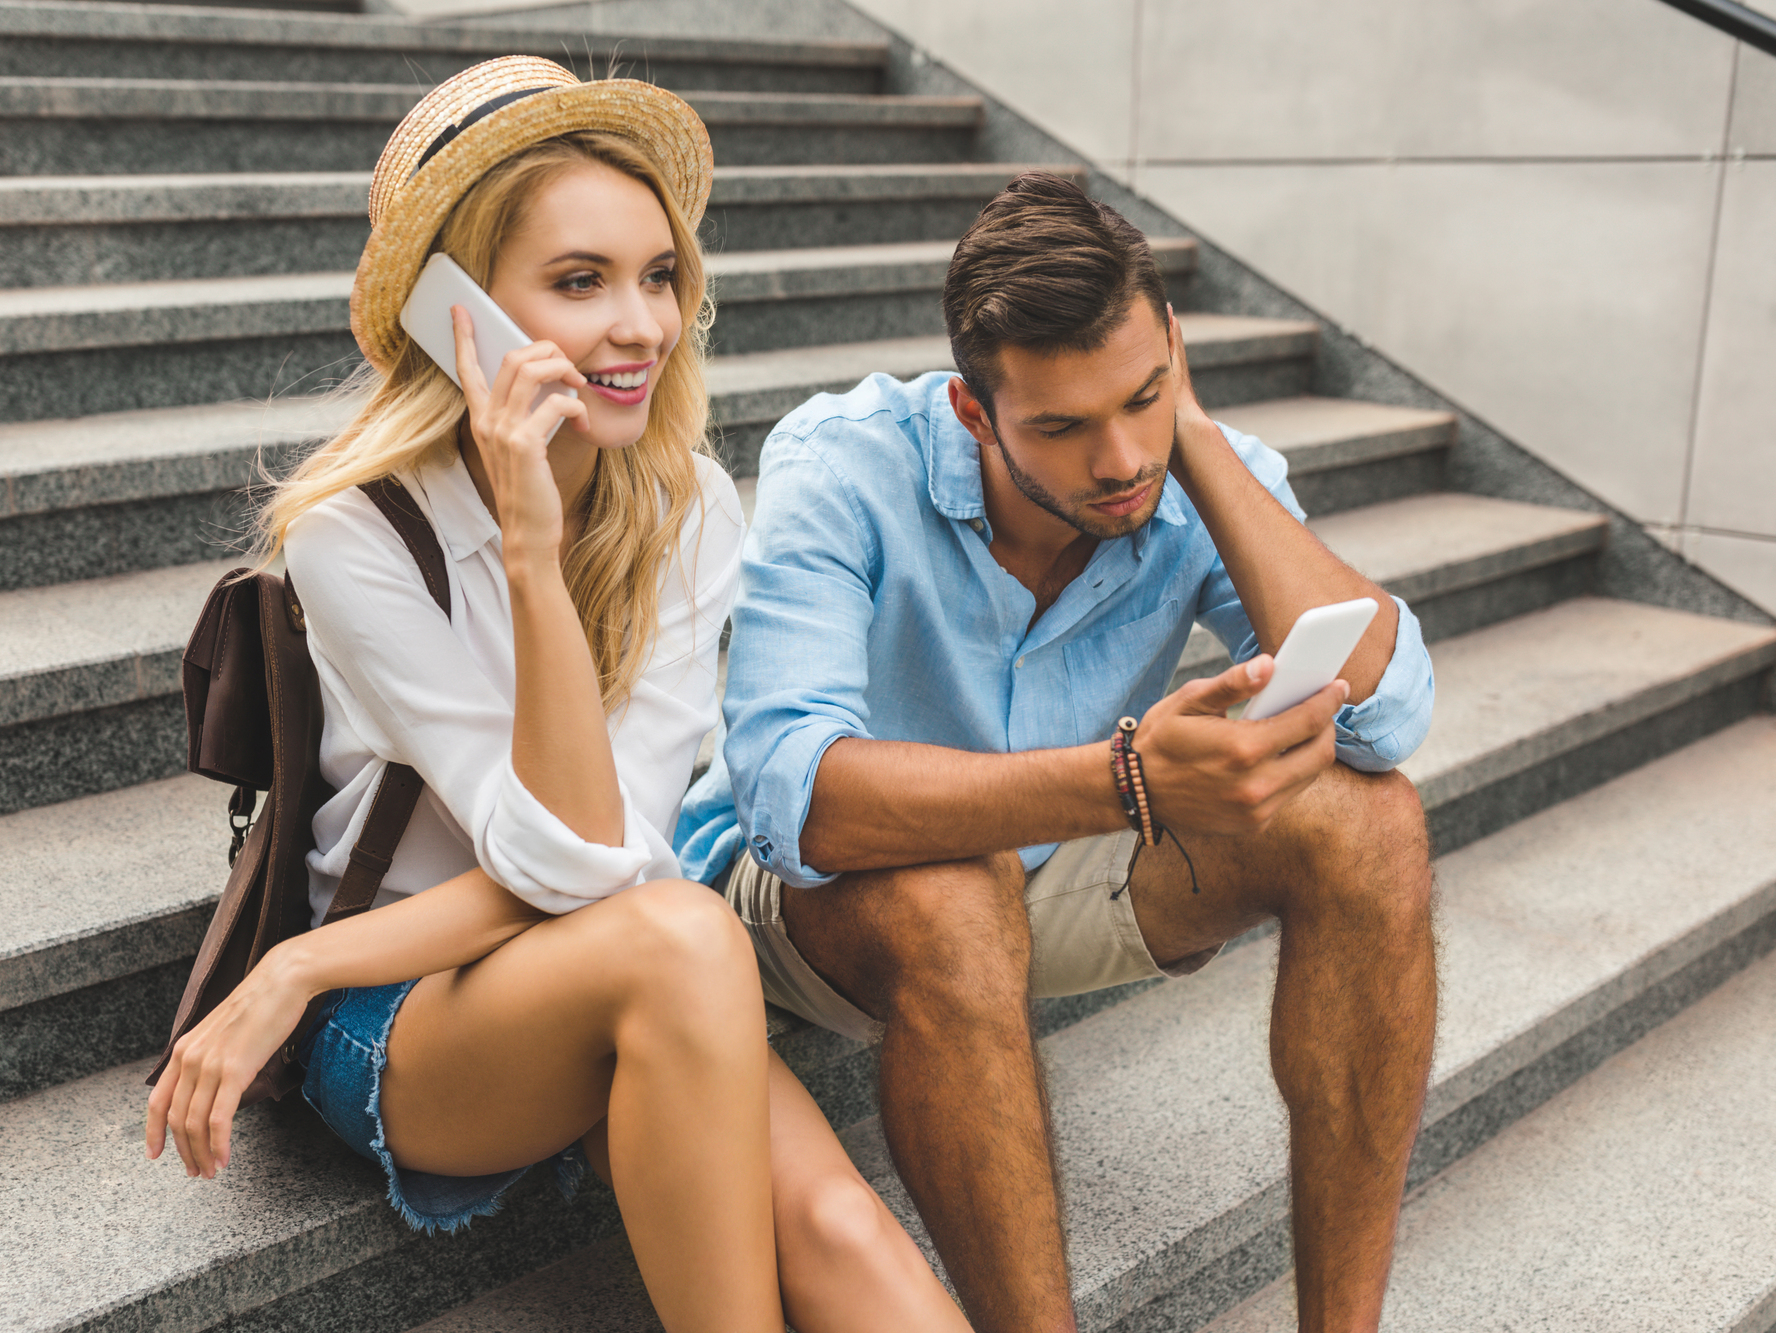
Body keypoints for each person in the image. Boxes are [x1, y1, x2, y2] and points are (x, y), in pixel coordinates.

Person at [145, 58, 969, 1333]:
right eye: (578, 282)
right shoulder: (352, 536)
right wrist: (528, 549)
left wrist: (292, 961)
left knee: (836, 1220)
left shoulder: (685, 504)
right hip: (405, 1010)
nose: (640, 325)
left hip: (623, 959)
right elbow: (581, 859)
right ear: (455, 312)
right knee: (684, 932)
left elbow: (606, 861)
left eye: (657, 275)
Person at [678, 171, 1439, 1333]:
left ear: (1172, 348)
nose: (1119, 458)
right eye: (1063, 426)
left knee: (1371, 822)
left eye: (1140, 396)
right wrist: (1124, 779)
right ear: (973, 413)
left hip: (1048, 872)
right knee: (952, 884)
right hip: (798, 908)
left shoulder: (1185, 467)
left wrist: (1190, 439)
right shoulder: (841, 464)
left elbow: (1381, 721)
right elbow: (792, 797)